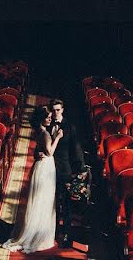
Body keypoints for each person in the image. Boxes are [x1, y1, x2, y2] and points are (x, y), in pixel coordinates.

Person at [2, 106, 60, 253]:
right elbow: (50, 152)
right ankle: (37, 234)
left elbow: (39, 150)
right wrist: (58, 138)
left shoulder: (38, 131)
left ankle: (35, 229)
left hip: (40, 165)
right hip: (46, 167)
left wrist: (38, 153)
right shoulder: (45, 133)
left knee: (38, 199)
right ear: (41, 118)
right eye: (47, 117)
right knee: (43, 199)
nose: (49, 119)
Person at [47, 98, 87, 248]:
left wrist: (81, 168)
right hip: (48, 168)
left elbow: (76, 148)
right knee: (51, 202)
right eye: (53, 109)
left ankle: (67, 234)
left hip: (64, 169)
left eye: (58, 109)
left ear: (62, 110)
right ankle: (52, 232)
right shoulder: (47, 123)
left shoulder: (69, 126)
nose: (55, 112)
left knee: (66, 203)